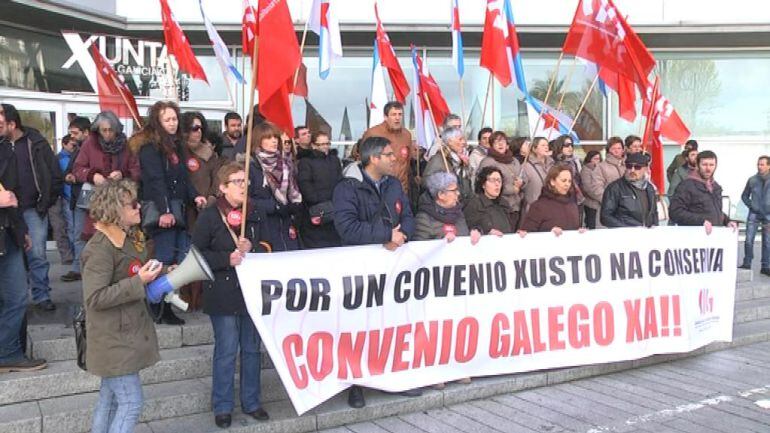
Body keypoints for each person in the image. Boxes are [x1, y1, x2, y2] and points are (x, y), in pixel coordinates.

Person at [333, 136, 417, 408]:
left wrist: (402, 233)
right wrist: (385, 235)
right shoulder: (348, 188)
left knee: (390, 323)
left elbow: (407, 214)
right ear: (373, 159)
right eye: (389, 154)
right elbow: (346, 228)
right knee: (360, 326)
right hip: (361, 269)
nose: (395, 158)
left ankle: (391, 379)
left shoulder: (393, 184)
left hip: (391, 266)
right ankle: (356, 384)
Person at [82, 180, 169, 433]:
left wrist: (161, 272)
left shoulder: (126, 238)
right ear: (115, 210)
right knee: (131, 403)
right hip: (114, 338)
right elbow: (95, 298)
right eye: (132, 204)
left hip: (123, 333)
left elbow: (131, 272)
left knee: (108, 401)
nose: (138, 206)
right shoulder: (100, 247)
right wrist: (139, 281)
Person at [192, 163, 270, 428]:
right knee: (226, 350)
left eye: (245, 181)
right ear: (223, 187)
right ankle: (223, 405)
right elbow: (197, 254)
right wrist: (226, 258)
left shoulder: (254, 213)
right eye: (236, 181)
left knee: (251, 349)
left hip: (251, 292)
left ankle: (252, 401)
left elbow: (268, 246)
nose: (243, 186)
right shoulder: (210, 215)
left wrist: (253, 246)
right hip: (223, 292)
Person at [129, 101, 207, 325]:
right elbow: (155, 181)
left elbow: (183, 178)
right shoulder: (149, 148)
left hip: (178, 209)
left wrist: (195, 196)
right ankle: (156, 304)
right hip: (163, 210)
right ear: (158, 122)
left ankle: (163, 300)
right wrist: (164, 210)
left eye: (174, 119)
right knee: (163, 258)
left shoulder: (176, 147)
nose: (172, 123)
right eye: (167, 120)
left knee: (179, 258)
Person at [1, 103, 62, 311]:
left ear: (12, 123)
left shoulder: (36, 142)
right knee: (10, 255)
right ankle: (14, 299)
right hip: (6, 212)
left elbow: (53, 174)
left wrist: (45, 203)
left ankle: (41, 295)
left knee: (37, 255)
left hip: (33, 209)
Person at [0, 114, 46, 373]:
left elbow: (14, 197)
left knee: (16, 296)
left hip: (9, 233)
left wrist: (22, 230)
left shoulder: (6, 149)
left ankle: (8, 351)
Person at [72, 111, 140, 268]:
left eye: (111, 130)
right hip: (95, 201)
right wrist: (92, 176)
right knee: (93, 239)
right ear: (98, 129)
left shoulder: (126, 146)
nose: (108, 134)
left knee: (117, 239)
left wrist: (122, 174)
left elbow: (136, 171)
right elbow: (77, 168)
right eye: (104, 130)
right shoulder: (90, 144)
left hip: (119, 202)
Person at [246, 122, 303, 252]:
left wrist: (294, 206)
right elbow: (246, 200)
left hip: (286, 224)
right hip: (264, 227)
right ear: (258, 140)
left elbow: (292, 193)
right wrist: (273, 206)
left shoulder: (286, 163)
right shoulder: (251, 166)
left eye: (275, 137)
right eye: (268, 138)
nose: (274, 141)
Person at [669, 151, 736, 234]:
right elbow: (675, 212)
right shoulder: (686, 186)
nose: (708, 169)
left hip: (715, 238)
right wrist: (700, 221)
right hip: (695, 238)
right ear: (697, 165)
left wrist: (727, 221)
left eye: (711, 165)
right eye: (704, 165)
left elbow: (714, 210)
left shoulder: (715, 187)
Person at [297, 131, 342, 248]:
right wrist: (318, 200)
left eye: (327, 143)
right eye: (321, 144)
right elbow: (305, 185)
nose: (325, 147)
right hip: (316, 211)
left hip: (334, 210)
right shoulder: (305, 162)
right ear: (313, 145)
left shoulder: (335, 160)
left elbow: (340, 181)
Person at [361, 101, 414, 196]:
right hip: (379, 190)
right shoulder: (373, 133)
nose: (397, 118)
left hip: (402, 190)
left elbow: (407, 162)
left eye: (400, 114)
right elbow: (364, 161)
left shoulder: (407, 135)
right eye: (393, 115)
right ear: (385, 117)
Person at [414, 171, 481, 243]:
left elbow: (466, 234)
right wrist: (441, 242)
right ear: (441, 195)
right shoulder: (424, 219)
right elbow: (418, 249)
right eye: (454, 190)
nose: (458, 193)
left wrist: (475, 231)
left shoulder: (458, 212)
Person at [182, 111, 221, 229]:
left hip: (205, 207)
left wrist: (211, 198)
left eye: (201, 128)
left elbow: (217, 178)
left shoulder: (210, 154)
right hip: (185, 207)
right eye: (194, 128)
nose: (199, 131)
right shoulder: (178, 151)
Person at [478, 131, 524, 229]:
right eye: (496, 142)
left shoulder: (514, 161)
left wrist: (521, 183)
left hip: (516, 206)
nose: (500, 144)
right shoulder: (488, 162)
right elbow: (484, 183)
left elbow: (522, 177)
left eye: (502, 141)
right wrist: (512, 189)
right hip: (498, 207)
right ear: (491, 145)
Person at [600, 152, 659, 228]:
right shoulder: (615, 188)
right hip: (625, 235)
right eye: (629, 166)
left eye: (637, 167)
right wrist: (627, 229)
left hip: (646, 235)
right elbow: (605, 217)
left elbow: (653, 213)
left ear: (645, 169)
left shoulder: (649, 188)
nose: (632, 170)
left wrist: (655, 228)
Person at [520, 164, 581, 235]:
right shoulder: (538, 207)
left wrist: (580, 232)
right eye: (563, 181)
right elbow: (527, 234)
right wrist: (549, 233)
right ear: (552, 181)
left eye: (569, 181)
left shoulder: (572, 205)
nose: (567, 184)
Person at [423, 126, 473, 203]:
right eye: (460, 139)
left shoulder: (462, 160)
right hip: (443, 207)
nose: (463, 142)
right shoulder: (438, 160)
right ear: (450, 141)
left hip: (463, 206)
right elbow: (427, 184)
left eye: (463, 139)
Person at [739, 156, 770, 275]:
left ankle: (766, 266)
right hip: (754, 214)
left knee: (767, 242)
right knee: (748, 240)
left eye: (762, 164)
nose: (759, 166)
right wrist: (751, 205)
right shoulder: (752, 180)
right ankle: (747, 262)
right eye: (758, 164)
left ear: (769, 166)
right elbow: (744, 196)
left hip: (768, 215)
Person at [50, 135, 76, 269]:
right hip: (65, 196)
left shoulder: (71, 157)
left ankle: (71, 256)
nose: (74, 148)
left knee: (70, 228)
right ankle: (71, 256)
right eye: (72, 145)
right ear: (64, 144)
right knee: (67, 228)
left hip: (68, 197)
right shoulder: (60, 159)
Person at [463, 166, 514, 235]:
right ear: (483, 184)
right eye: (492, 180)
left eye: (499, 181)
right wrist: (486, 231)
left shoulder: (504, 203)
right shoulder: (474, 204)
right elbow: (470, 227)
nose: (497, 184)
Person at [520, 136, 553, 217]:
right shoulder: (526, 166)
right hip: (533, 209)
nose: (546, 147)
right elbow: (521, 188)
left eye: (547, 145)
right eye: (543, 145)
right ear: (534, 149)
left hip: (551, 207)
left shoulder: (553, 165)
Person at [596, 136, 626, 207]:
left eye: (619, 148)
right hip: (609, 207)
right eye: (613, 148)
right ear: (608, 150)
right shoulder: (601, 167)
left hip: (628, 207)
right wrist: (610, 201)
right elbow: (597, 188)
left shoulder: (629, 166)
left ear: (623, 150)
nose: (616, 151)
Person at [580, 151, 603, 230]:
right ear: (590, 159)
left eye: (599, 159)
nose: (597, 161)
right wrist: (601, 197)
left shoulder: (600, 169)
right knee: (591, 225)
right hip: (591, 203)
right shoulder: (586, 169)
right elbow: (588, 188)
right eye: (595, 159)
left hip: (600, 202)